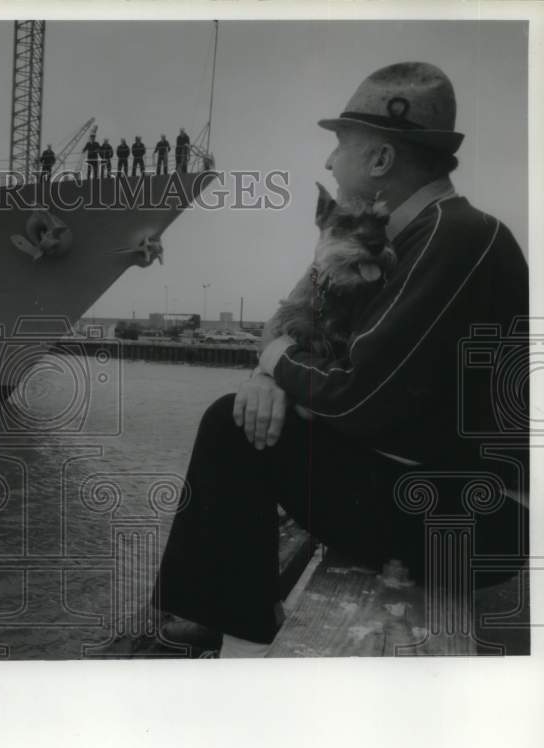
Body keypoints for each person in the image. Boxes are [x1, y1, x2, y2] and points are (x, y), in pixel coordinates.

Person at [151, 62, 528, 658]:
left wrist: (274, 361)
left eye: (338, 147)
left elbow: (356, 398)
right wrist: (267, 374)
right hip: (438, 498)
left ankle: (229, 631)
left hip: (464, 519)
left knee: (229, 428)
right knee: (243, 414)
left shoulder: (453, 237)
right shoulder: (397, 237)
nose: (329, 163)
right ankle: (224, 615)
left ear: (378, 162)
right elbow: (290, 314)